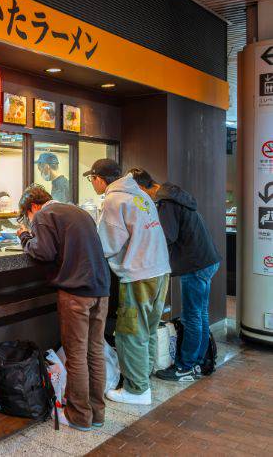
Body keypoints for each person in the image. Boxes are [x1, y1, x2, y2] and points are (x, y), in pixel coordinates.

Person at [16, 184, 110, 431]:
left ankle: (79, 416)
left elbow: (43, 252)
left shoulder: (45, 215)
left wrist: (24, 236)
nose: (30, 220)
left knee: (76, 354)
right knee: (95, 352)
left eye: (28, 215)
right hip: (100, 289)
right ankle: (97, 414)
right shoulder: (76, 210)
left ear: (32, 207)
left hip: (76, 292)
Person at [84, 159, 170, 405]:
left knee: (130, 332)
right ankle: (145, 377)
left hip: (139, 273)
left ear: (100, 179)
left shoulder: (114, 200)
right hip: (159, 269)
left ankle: (137, 390)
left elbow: (108, 244)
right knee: (149, 328)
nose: (93, 184)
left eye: (92, 179)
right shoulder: (139, 195)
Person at [129, 168, 221, 382]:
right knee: (200, 314)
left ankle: (186, 367)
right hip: (207, 260)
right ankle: (197, 362)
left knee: (192, 316)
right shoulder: (172, 195)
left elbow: (166, 237)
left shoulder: (166, 203)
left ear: (142, 188)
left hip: (195, 264)